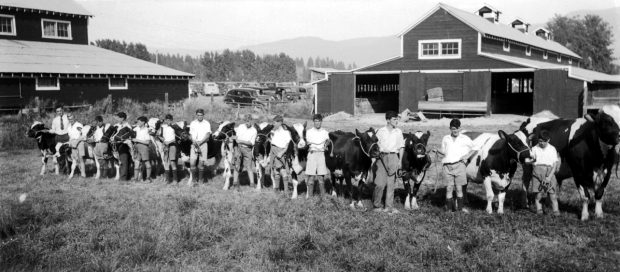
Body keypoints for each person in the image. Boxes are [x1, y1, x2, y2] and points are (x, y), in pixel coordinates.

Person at [434, 118, 476, 213]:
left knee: (458, 188)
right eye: (453, 128)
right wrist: (437, 150)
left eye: (457, 128)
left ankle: (459, 210)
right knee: (449, 188)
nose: (455, 130)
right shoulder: (446, 138)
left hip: (459, 166)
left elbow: (475, 147)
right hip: (447, 167)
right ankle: (449, 210)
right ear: (450, 128)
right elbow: (444, 151)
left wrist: (467, 156)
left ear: (460, 128)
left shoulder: (464, 138)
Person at [373, 111, 405, 214]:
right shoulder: (380, 131)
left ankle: (389, 207)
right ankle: (377, 206)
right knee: (379, 184)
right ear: (388, 120)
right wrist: (374, 159)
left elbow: (401, 147)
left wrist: (399, 161)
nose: (397, 121)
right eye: (394, 119)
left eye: (397, 119)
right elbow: (375, 146)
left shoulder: (398, 132)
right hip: (381, 158)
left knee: (391, 184)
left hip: (393, 157)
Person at [530, 130, 560, 215]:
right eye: (540, 141)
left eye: (544, 142)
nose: (541, 143)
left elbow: (554, 165)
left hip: (549, 172)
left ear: (548, 140)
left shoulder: (552, 149)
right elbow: (532, 162)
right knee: (538, 195)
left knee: (552, 195)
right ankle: (539, 210)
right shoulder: (535, 148)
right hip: (537, 172)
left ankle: (556, 211)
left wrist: (549, 177)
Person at [305, 113, 330, 198]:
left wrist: (326, 144)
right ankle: (310, 197)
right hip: (312, 154)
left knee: (321, 177)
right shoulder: (309, 132)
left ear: (321, 122)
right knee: (311, 177)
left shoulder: (325, 132)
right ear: (313, 122)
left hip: (321, 155)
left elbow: (327, 141)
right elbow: (309, 143)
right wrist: (314, 146)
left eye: (319, 121)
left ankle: (323, 196)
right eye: (315, 121)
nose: (317, 123)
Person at [230, 114, 258, 190]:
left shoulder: (254, 130)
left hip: (247, 149)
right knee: (236, 166)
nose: (247, 123)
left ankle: (252, 185)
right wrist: (234, 139)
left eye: (248, 121)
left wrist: (241, 141)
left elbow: (251, 143)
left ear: (252, 121)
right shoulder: (241, 127)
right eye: (245, 121)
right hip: (238, 148)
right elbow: (237, 138)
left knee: (249, 167)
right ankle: (235, 184)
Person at [269, 115, 292, 195]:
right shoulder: (274, 131)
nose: (273, 124)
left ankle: (286, 190)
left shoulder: (285, 132)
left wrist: (282, 152)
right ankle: (277, 189)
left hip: (280, 152)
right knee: (276, 171)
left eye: (275, 123)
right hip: (274, 152)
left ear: (280, 123)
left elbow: (288, 144)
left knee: (283, 170)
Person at [189, 109, 211, 185]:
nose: (200, 116)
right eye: (198, 115)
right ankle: (194, 180)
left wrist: (201, 142)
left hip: (203, 144)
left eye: (201, 115)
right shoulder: (193, 123)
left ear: (203, 115)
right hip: (194, 144)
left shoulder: (207, 123)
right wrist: (193, 141)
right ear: (196, 115)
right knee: (192, 163)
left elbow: (208, 135)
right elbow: (191, 134)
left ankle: (201, 180)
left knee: (201, 164)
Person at [159, 114, 179, 184]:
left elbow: (176, 138)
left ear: (171, 120)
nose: (168, 121)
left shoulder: (175, 127)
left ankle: (175, 180)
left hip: (172, 145)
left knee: (173, 162)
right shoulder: (162, 127)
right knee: (166, 162)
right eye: (167, 120)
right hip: (165, 145)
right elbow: (160, 136)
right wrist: (163, 140)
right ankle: (168, 180)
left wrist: (169, 142)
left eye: (169, 120)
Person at [132, 116, 152, 182]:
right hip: (136, 147)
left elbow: (147, 142)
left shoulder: (146, 130)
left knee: (147, 162)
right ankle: (135, 179)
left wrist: (137, 140)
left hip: (144, 147)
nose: (138, 123)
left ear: (143, 122)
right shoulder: (136, 129)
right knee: (136, 163)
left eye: (139, 121)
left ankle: (148, 178)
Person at [67, 113, 86, 178]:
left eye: (72, 118)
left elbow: (82, 135)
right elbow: (70, 136)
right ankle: (78, 172)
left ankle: (83, 174)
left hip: (79, 142)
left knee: (81, 158)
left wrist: (76, 142)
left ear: (74, 118)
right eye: (69, 119)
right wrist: (70, 142)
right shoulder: (69, 126)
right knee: (74, 159)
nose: (71, 120)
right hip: (73, 143)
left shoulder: (79, 125)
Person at [114, 112, 132, 181]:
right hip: (115, 145)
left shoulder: (127, 126)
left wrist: (121, 139)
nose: (117, 119)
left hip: (124, 145)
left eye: (118, 118)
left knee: (124, 161)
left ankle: (123, 178)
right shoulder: (116, 125)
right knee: (117, 161)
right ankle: (120, 175)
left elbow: (129, 136)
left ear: (122, 118)